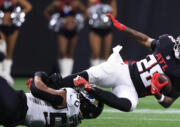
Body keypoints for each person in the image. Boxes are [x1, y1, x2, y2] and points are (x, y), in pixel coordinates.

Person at [38, 13, 180, 112]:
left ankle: (88, 88)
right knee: (85, 75)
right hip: (122, 70)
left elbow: (169, 102)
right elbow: (144, 39)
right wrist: (123, 28)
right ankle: (47, 85)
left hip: (132, 90)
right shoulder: (166, 43)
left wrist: (158, 95)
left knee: (129, 105)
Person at [0, 72, 103, 127]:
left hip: (17, 103)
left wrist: (39, 75)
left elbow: (37, 90)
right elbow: (45, 108)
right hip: (15, 120)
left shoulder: (68, 99)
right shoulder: (72, 123)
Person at [44, 0, 86, 77]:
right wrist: (54, 22)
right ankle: (64, 74)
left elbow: (86, 12)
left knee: (70, 53)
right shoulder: (57, 3)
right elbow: (46, 12)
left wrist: (77, 21)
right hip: (62, 30)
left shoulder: (76, 3)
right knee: (62, 51)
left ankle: (68, 74)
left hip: (73, 30)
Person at [0, 0, 32, 85]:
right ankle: (0, 73)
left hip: (12, 26)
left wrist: (17, 15)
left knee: (9, 51)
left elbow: (28, 7)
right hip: (1, 25)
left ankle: (6, 74)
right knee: (1, 47)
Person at [88, 0, 117, 66]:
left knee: (105, 54)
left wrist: (106, 19)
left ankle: (103, 73)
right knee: (95, 52)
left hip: (107, 29)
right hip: (95, 29)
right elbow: (88, 12)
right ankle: (95, 71)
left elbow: (114, 12)